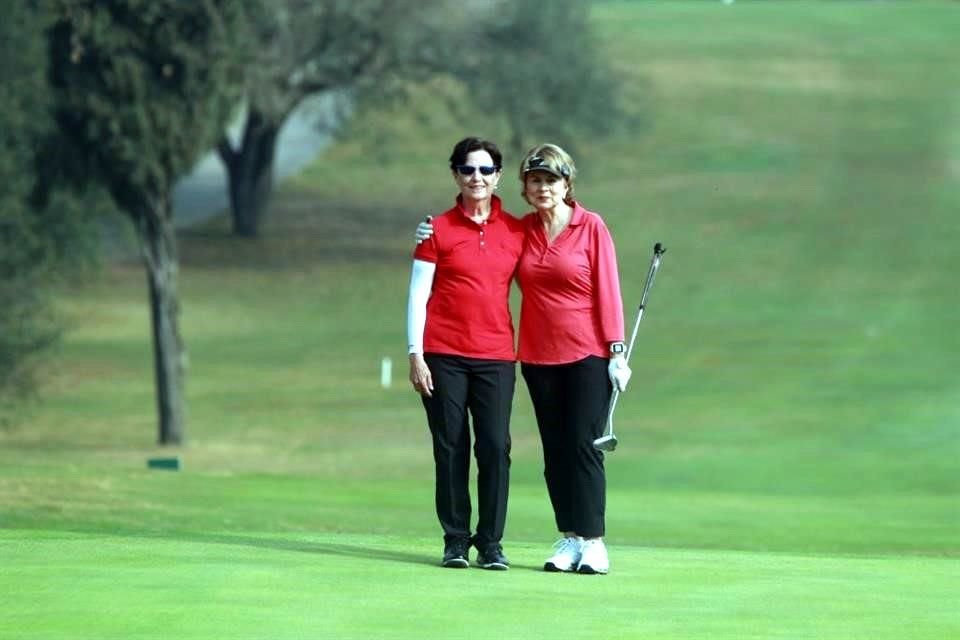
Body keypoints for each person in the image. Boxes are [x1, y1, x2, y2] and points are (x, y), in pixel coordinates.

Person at [415, 143, 632, 575]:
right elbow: (480, 249)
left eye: (551, 180)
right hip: (536, 356)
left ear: (567, 184)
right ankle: (569, 537)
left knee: (583, 445)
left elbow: (607, 290)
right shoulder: (522, 230)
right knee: (554, 449)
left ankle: (594, 541)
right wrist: (429, 232)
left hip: (587, 353)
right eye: (535, 180)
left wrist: (616, 351)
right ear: (525, 187)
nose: (542, 188)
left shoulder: (591, 226)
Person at [406, 136, 525, 570]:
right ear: (456, 174)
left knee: (495, 447)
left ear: (498, 177)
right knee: (451, 446)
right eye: (468, 170)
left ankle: (490, 542)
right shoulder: (436, 229)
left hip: (496, 355)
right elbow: (418, 295)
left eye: (486, 170)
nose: (477, 177)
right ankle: (455, 539)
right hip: (443, 354)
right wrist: (415, 353)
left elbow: (556, 232)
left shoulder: (516, 229)